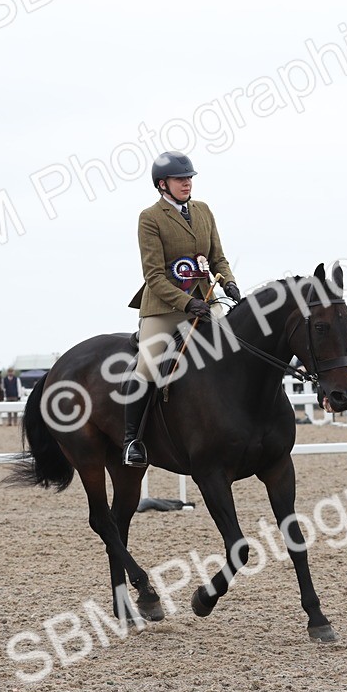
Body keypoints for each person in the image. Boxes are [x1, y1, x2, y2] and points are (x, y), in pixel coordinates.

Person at [122, 151, 240, 467]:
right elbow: (154, 275)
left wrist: (228, 282)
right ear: (163, 184)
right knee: (146, 366)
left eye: (188, 178)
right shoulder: (150, 217)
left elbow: (218, 258)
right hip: (165, 307)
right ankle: (132, 440)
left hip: (206, 299)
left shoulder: (203, 211)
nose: (186, 183)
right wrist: (187, 302)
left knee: (236, 349)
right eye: (179, 179)